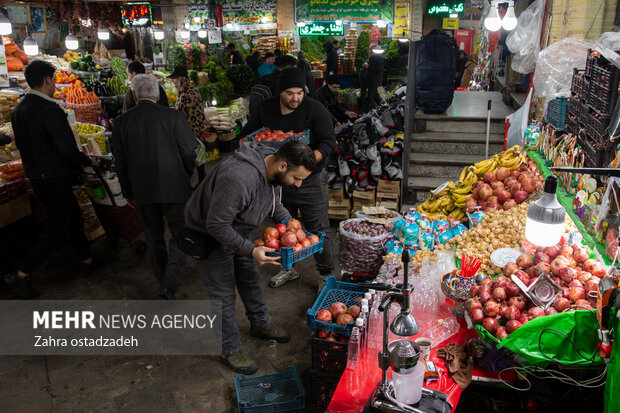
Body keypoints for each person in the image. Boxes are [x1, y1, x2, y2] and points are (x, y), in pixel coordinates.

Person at [185, 140, 317, 374]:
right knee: (223, 293)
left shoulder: (273, 170)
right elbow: (216, 224)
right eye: (297, 178)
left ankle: (260, 323)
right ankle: (229, 348)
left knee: (249, 277)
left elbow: (274, 205)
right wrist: (249, 249)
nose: (297, 185)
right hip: (209, 234)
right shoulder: (240, 177)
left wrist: (293, 227)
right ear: (283, 166)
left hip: (237, 229)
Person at [5, 61, 95, 298]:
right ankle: (22, 273)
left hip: (36, 177)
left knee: (72, 216)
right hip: (54, 176)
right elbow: (65, 147)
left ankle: (87, 259)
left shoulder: (19, 109)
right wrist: (87, 161)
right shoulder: (50, 110)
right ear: (46, 80)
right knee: (58, 226)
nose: (54, 84)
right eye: (53, 79)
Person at [241, 68, 336, 289]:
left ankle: (324, 276)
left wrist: (308, 162)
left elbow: (329, 142)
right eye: (289, 93)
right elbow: (246, 135)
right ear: (279, 91)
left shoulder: (315, 110)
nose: (295, 98)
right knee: (283, 227)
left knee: (318, 227)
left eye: (299, 93)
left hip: (309, 179)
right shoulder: (265, 109)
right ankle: (289, 269)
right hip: (276, 181)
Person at [111, 74, 197, 300]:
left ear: (133, 95)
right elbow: (189, 152)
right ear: (158, 94)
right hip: (175, 186)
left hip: (142, 189)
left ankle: (163, 281)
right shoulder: (174, 117)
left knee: (153, 236)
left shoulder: (121, 123)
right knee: (181, 234)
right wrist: (185, 174)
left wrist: (127, 191)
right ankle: (170, 284)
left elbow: (120, 163)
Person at [168, 67, 208, 180]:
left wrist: (190, 134)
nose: (172, 81)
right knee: (195, 155)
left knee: (194, 155)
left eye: (174, 78)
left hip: (191, 129)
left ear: (180, 78)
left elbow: (194, 114)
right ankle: (200, 178)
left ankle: (200, 179)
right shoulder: (182, 90)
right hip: (185, 129)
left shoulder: (190, 90)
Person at [365, 44, 384, 111]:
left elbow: (378, 69)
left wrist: (368, 67)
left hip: (373, 80)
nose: (370, 51)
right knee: (375, 94)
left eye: (371, 49)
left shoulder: (375, 57)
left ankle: (370, 109)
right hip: (375, 80)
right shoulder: (378, 57)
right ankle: (382, 105)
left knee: (371, 95)